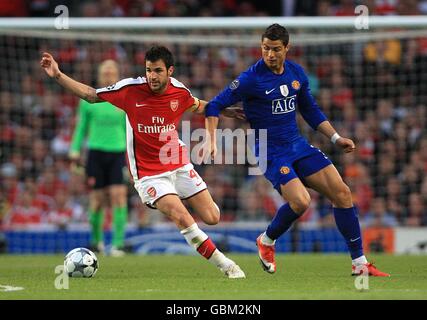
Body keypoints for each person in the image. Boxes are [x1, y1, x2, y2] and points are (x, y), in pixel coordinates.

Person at [40, 46, 245, 278]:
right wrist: (58, 75)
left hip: (178, 164)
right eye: (148, 70)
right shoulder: (129, 90)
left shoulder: (179, 91)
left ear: (170, 71)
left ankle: (198, 233)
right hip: (149, 174)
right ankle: (226, 264)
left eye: (158, 71)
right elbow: (90, 94)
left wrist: (227, 112)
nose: (152, 76)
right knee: (181, 216)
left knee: (212, 217)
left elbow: (200, 106)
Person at [204, 24, 389, 277]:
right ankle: (267, 240)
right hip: (270, 150)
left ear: (286, 48)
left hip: (297, 145)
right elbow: (213, 105)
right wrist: (212, 141)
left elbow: (310, 110)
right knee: (301, 202)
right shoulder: (250, 79)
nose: (270, 54)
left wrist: (335, 138)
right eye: (265, 48)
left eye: (276, 49)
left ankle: (360, 264)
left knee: (343, 193)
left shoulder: (296, 73)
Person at [69, 60, 128, 257]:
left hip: (118, 152)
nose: (109, 74)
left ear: (117, 74)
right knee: (97, 200)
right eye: (106, 71)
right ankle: (97, 242)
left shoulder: (123, 99)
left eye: (112, 71)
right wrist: (75, 150)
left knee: (118, 196)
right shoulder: (89, 100)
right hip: (95, 153)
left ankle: (118, 244)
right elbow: (81, 128)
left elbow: (131, 129)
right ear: (100, 75)